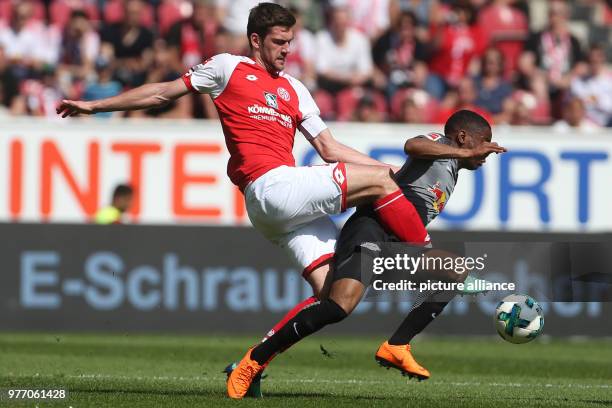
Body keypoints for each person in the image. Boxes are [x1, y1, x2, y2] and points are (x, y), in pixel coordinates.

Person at [59, 4, 499, 316]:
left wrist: (384, 172)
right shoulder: (227, 67)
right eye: (279, 41)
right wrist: (95, 107)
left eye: (291, 41)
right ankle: (433, 263)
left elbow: (330, 149)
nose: (287, 50)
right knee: (385, 193)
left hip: (279, 207)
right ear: (256, 39)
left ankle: (252, 362)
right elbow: (161, 92)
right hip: (270, 184)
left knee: (335, 297)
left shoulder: (294, 89)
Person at [226, 110, 507, 399]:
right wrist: (462, 152)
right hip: (371, 229)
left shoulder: (452, 170)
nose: (487, 150)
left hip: (396, 246)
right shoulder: (441, 146)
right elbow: (412, 145)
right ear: (462, 137)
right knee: (337, 307)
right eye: (484, 141)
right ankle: (253, 361)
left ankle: (397, 346)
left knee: (453, 272)